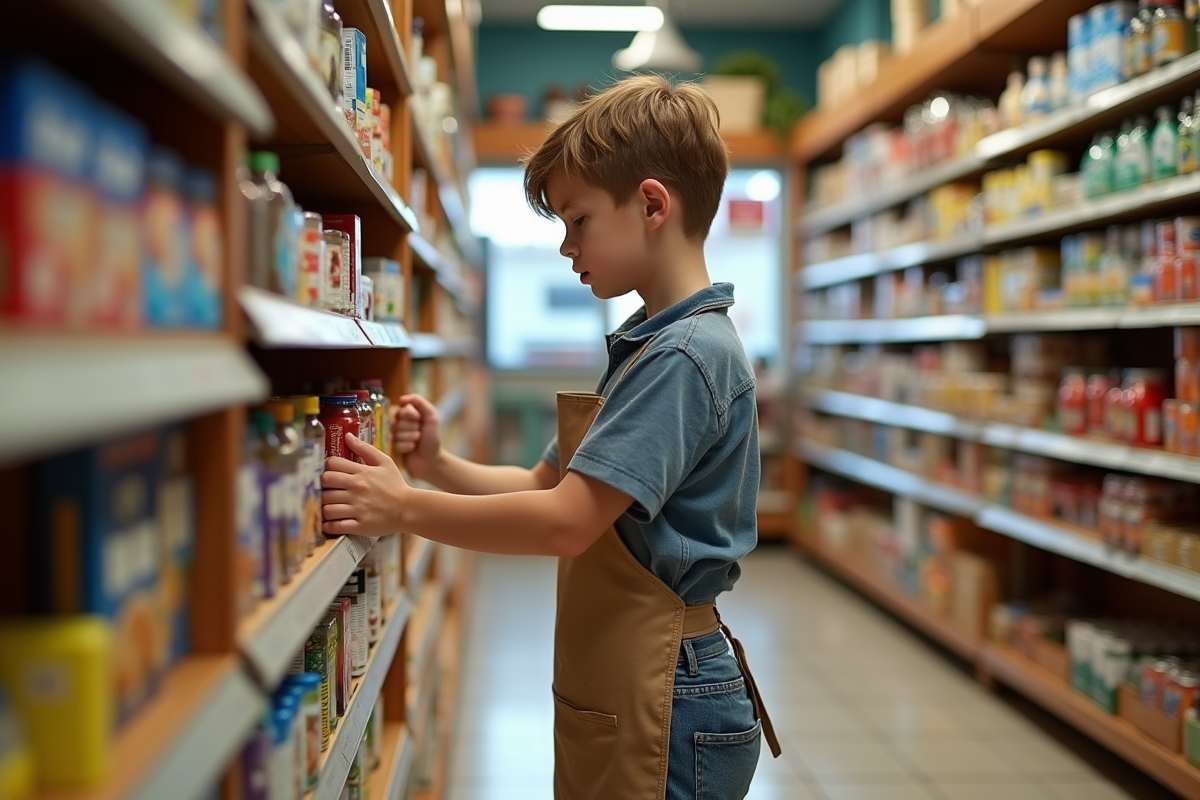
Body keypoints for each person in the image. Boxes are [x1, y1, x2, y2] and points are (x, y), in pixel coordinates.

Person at [320, 74, 780, 800]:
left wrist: (403, 508)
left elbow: (567, 523)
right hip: (641, 674)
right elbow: (546, 487)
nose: (567, 246)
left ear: (652, 205)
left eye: (579, 219)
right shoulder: (651, 343)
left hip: (670, 692)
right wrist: (437, 464)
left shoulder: (686, 357)